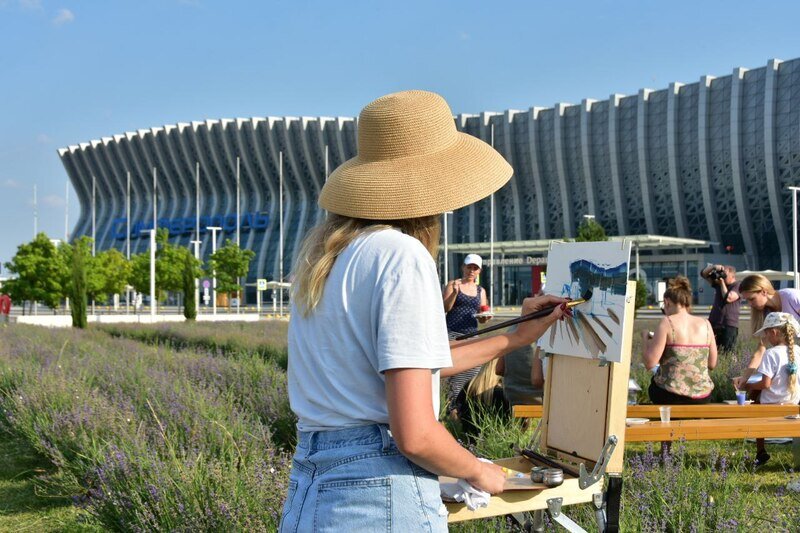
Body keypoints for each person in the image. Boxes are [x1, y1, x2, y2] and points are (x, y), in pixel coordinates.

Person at [279, 90, 568, 532]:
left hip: (313, 485)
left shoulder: (327, 261)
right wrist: (478, 469)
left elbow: (414, 366)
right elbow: (414, 433)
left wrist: (517, 336)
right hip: (376, 490)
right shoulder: (401, 256)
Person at [643, 276, 718, 404]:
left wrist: (645, 340)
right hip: (702, 396)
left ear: (666, 302)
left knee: (655, 386)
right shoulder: (706, 324)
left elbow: (650, 363)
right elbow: (712, 364)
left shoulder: (667, 323)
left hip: (671, 394)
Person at [740, 312, 800, 467]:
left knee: (754, 403)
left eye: (766, 333)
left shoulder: (771, 353)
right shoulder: (798, 351)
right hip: (793, 403)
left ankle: (761, 451)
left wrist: (750, 385)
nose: (765, 337)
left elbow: (765, 384)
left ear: (774, 332)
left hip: (770, 406)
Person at [442, 254, 491, 414]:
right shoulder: (453, 284)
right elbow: (445, 308)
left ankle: (462, 407)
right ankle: (451, 408)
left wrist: (486, 317)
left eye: (475, 268)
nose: (471, 271)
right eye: (469, 267)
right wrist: (455, 293)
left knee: (473, 370)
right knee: (453, 373)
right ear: (463, 267)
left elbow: (482, 315)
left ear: (479, 271)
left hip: (472, 335)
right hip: (452, 334)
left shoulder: (480, 291)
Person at [733, 274, 800, 390]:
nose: (750, 304)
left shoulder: (791, 297)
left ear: (763, 292)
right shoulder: (766, 315)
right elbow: (760, 350)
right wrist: (744, 378)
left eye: (751, 299)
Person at [700, 264, 741, 352]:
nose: (722, 276)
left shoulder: (738, 286)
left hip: (728, 325)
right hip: (714, 323)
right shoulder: (718, 284)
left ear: (732, 275)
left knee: (727, 352)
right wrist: (713, 267)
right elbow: (703, 274)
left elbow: (728, 298)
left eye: (725, 274)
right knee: (711, 351)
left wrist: (722, 282)